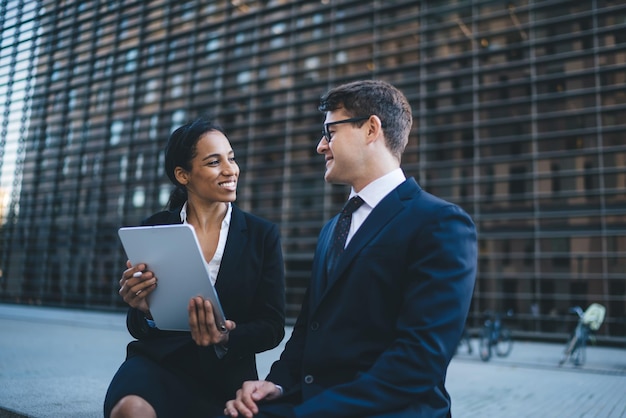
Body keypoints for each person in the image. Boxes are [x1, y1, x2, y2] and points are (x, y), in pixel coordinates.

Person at [222, 80, 477, 418]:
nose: (320, 146)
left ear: (371, 129)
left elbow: (418, 361)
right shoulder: (332, 229)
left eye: (330, 132)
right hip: (313, 403)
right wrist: (277, 383)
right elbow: (308, 329)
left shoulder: (440, 223)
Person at [104, 116, 286, 418]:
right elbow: (137, 326)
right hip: (157, 364)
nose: (230, 170)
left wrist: (226, 336)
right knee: (130, 410)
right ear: (183, 175)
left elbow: (272, 326)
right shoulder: (155, 229)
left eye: (231, 158)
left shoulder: (261, 235)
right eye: (214, 162)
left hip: (225, 377)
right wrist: (144, 309)